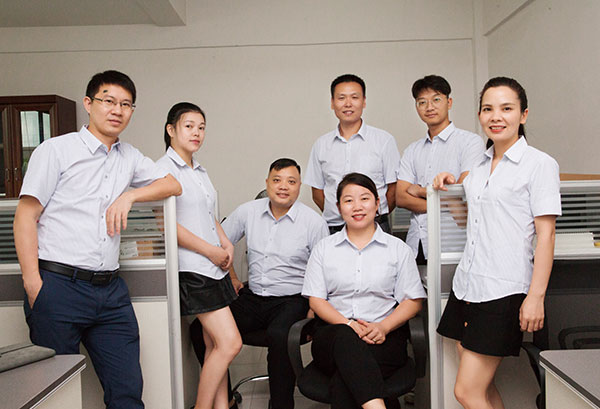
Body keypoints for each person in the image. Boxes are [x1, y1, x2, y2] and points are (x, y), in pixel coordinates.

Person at [13, 70, 182, 409]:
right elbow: (25, 217)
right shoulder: (56, 150)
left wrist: (130, 196)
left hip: (110, 292)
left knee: (127, 390)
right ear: (89, 104)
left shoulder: (129, 156)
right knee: (55, 396)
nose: (117, 110)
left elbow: (173, 184)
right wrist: (35, 286)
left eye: (126, 104)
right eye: (108, 101)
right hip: (58, 286)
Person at [433, 77, 561, 409]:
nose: (496, 117)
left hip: (504, 290)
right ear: (479, 115)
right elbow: (469, 222)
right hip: (468, 284)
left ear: (523, 114)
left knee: (466, 392)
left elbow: (546, 236)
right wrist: (449, 190)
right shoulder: (477, 167)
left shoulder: (539, 164)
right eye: (488, 109)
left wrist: (535, 297)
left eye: (506, 108)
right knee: (483, 388)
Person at [191, 158, 329, 409]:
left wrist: (314, 307)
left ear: (299, 186)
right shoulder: (249, 211)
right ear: (267, 183)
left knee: (280, 335)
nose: (283, 186)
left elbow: (323, 270)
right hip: (253, 297)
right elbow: (218, 243)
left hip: (292, 299)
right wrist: (232, 278)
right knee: (200, 330)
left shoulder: (314, 222)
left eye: (291, 181)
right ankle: (227, 400)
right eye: (277, 180)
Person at [302, 172, 426, 409]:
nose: (357, 206)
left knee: (346, 377)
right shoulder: (324, 249)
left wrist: (383, 327)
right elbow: (316, 301)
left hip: (384, 337)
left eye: (364, 198)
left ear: (378, 204)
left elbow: (412, 301)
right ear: (339, 207)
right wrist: (349, 325)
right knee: (345, 338)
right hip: (333, 335)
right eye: (348, 200)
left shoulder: (397, 249)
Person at [156, 102, 241, 409]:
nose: (197, 133)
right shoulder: (162, 170)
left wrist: (226, 243)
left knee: (213, 344)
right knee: (230, 343)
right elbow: (164, 224)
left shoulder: (199, 171)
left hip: (213, 267)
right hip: (193, 269)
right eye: (189, 126)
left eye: (201, 127)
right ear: (171, 130)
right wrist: (210, 251)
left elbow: (207, 214)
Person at [396, 74, 484, 264]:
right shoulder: (412, 150)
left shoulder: (470, 142)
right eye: (422, 102)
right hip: (416, 244)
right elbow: (401, 197)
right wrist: (445, 201)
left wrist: (420, 191)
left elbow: (462, 193)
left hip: (452, 244)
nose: (429, 107)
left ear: (449, 102)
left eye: (436, 99)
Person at [304, 74, 400, 234]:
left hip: (376, 226)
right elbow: (317, 192)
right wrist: (340, 214)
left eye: (354, 97)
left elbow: (393, 189)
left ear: (364, 101)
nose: (348, 104)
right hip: (334, 228)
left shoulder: (384, 140)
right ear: (332, 103)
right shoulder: (321, 144)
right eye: (341, 98)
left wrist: (375, 215)